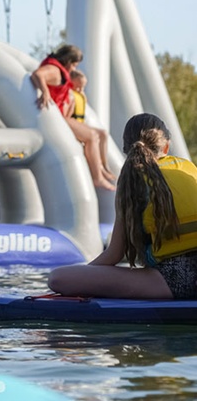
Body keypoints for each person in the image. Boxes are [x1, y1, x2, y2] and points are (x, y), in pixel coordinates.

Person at [48, 113, 197, 299]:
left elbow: (114, 254)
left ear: (127, 149)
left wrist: (84, 277)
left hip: (173, 281)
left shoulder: (132, 180)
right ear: (166, 146)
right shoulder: (188, 168)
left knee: (58, 278)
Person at [30, 45, 116, 191]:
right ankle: (98, 178)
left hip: (59, 117)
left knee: (98, 134)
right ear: (69, 62)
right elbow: (37, 74)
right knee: (91, 136)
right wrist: (45, 92)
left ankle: (101, 169)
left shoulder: (58, 71)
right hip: (55, 119)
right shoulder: (56, 70)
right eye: (75, 65)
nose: (74, 69)